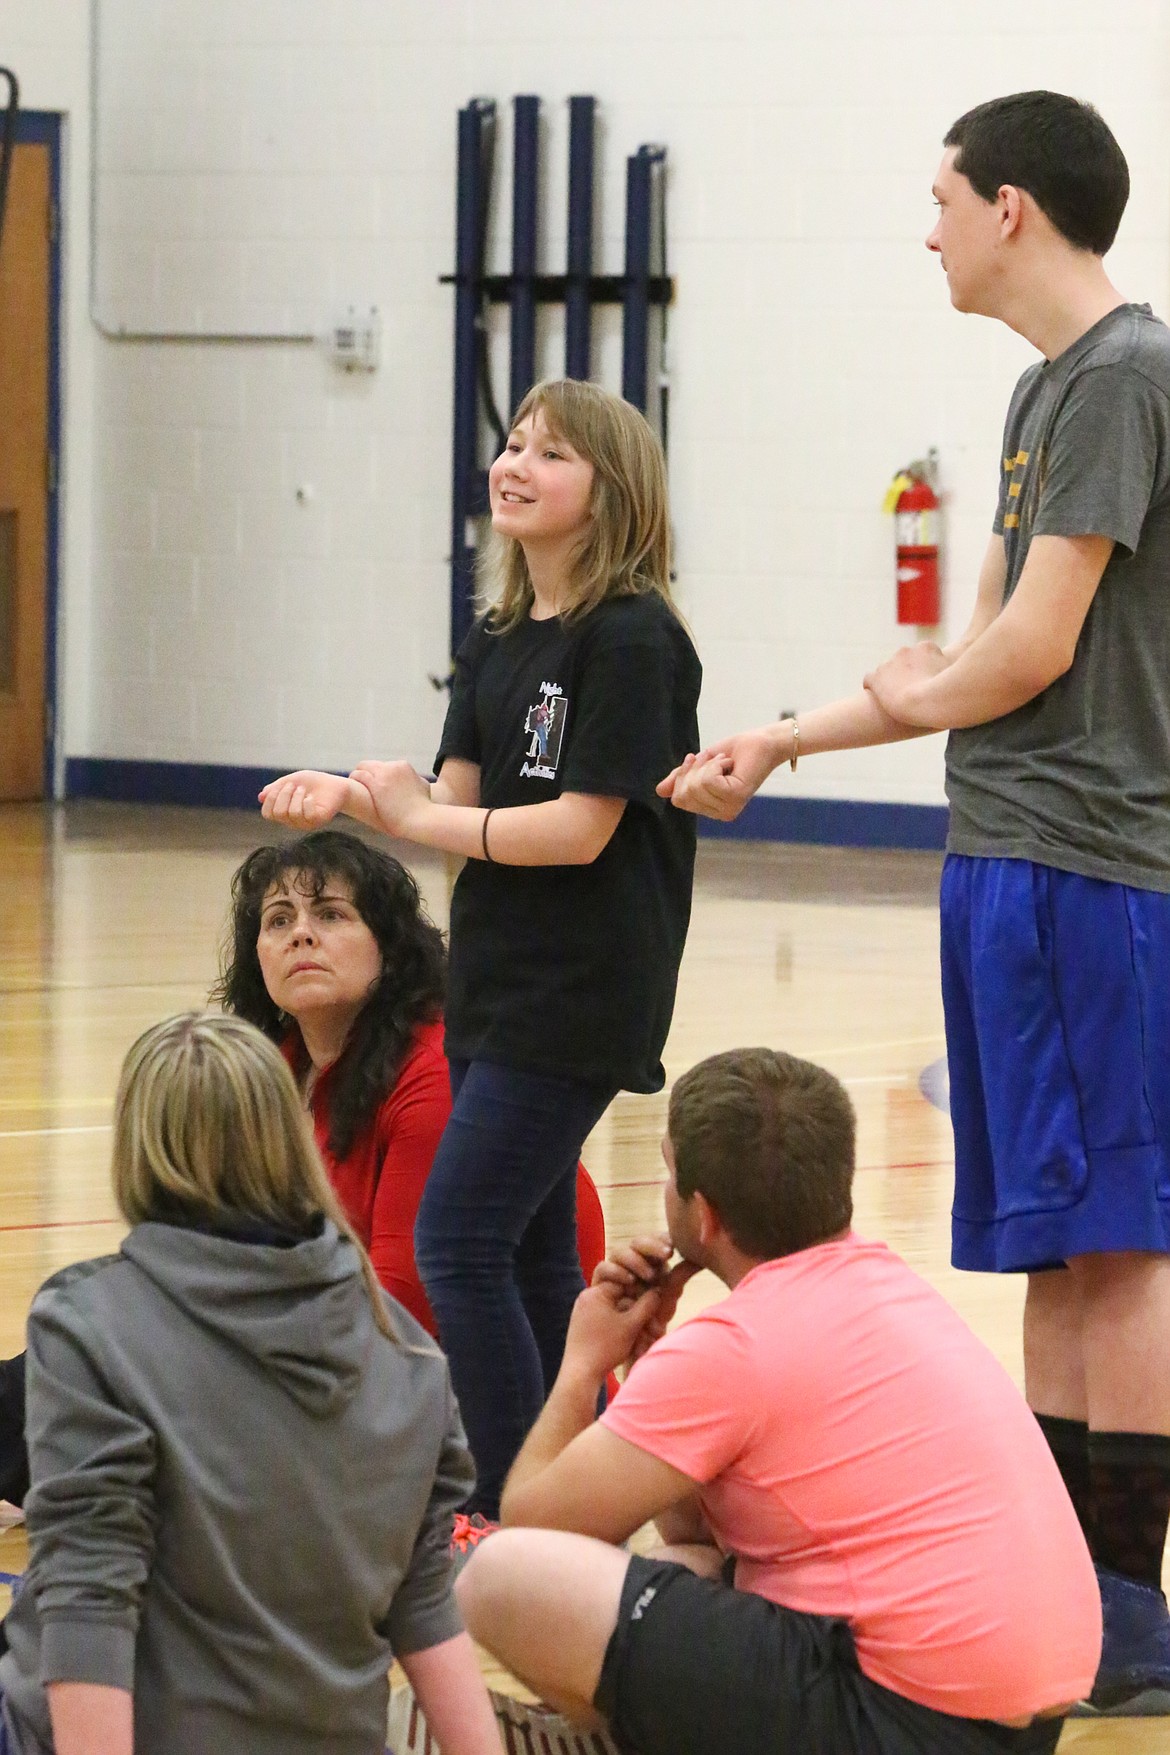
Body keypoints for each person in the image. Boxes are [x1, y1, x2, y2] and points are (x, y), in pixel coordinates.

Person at [660, 90, 1170, 1714]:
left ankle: (1131, 1625)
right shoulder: (1042, 390)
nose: (927, 225)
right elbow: (970, 663)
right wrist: (786, 739)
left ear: (1014, 207)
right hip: (1013, 857)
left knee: (1131, 1247)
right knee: (1054, 1249)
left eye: (942, 196)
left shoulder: (1123, 378)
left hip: (1095, 868)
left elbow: (1020, 654)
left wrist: (932, 681)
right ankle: (1068, 1600)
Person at [258, 379, 703, 1520]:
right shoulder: (500, 637)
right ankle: (576, 1497)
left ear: (610, 494)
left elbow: (578, 827)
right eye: (512, 442)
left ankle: (514, 1508)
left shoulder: (635, 639)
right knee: (532, 1253)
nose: (515, 463)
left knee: (457, 1238)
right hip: (498, 983)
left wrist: (407, 817)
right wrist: (359, 797)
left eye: (550, 453)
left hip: (582, 990)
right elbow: (454, 801)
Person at [454, 1046, 1100, 1755]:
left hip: (907, 1719)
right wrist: (647, 1372)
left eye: (670, 1172)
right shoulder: (883, 1285)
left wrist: (584, 1363)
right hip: (1009, 1724)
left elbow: (530, 1524)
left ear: (703, 1215)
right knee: (686, 1571)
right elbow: (692, 1536)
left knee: (498, 1574)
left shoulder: (737, 1346)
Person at [0, 1012, 503, 1755]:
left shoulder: (87, 1323)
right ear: (290, 1136)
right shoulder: (407, 1349)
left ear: (138, 1145)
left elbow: (90, 1609)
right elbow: (426, 1607)